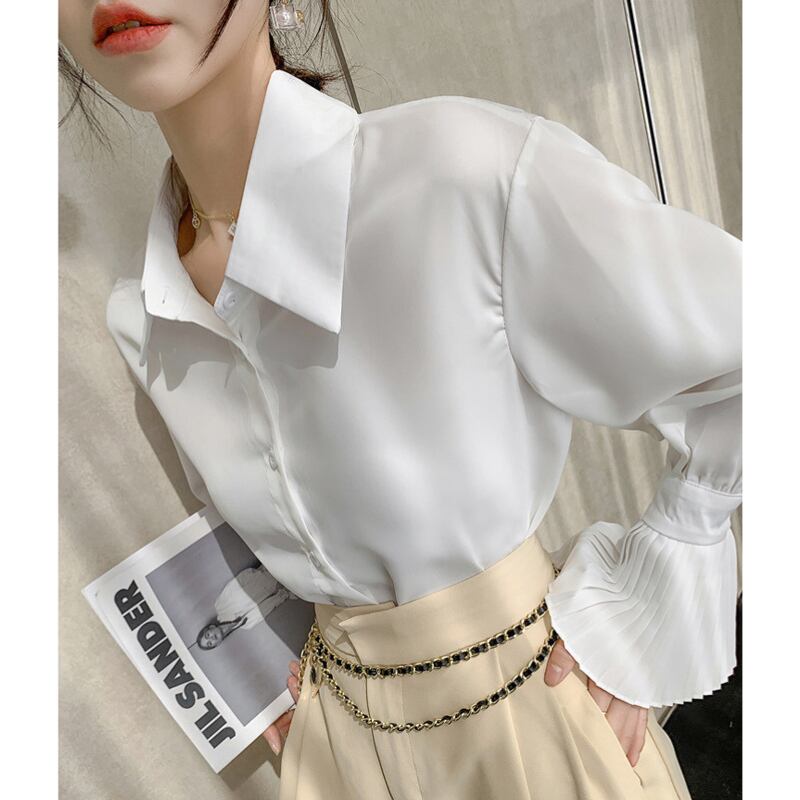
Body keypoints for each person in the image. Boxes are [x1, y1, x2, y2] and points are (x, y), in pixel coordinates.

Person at [59, 2, 741, 798]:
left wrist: (642, 622)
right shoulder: (147, 315)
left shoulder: (457, 173)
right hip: (338, 754)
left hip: (532, 723)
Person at [196, 565, 296, 650]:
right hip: (282, 587)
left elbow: (241, 579)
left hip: (268, 571)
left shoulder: (221, 604)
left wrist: (265, 576)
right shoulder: (247, 625)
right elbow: (268, 606)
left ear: (211, 627)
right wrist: (282, 594)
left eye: (207, 635)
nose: (211, 638)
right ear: (217, 644)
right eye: (210, 643)